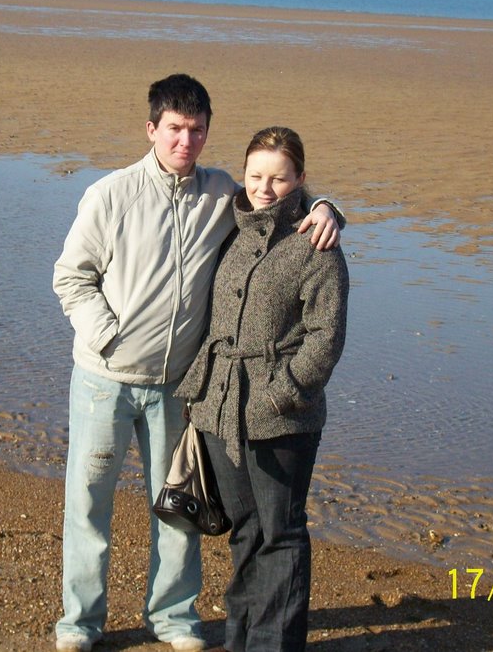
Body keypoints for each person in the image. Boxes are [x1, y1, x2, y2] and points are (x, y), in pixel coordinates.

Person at [51, 75, 342, 652]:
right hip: (104, 379)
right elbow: (71, 277)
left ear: (208, 132)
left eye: (197, 130)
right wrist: (110, 338)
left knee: (181, 509)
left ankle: (174, 617)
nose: (186, 141)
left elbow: (277, 201)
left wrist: (329, 206)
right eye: (175, 129)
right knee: (88, 503)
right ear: (152, 129)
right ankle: (80, 624)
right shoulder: (110, 194)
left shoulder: (220, 194)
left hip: (178, 387)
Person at [175, 126, 349, 652]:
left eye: (278, 177)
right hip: (218, 407)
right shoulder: (228, 223)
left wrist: (283, 394)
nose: (265, 188)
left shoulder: (316, 244)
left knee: (282, 533)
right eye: (255, 175)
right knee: (245, 531)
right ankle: (241, 638)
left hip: (281, 416)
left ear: (299, 179)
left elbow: (327, 337)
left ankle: (275, 645)